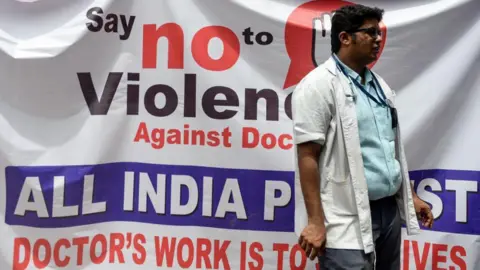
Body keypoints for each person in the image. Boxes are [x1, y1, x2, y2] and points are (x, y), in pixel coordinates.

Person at [291, 4, 434, 270]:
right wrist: (314, 221)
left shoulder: (380, 86)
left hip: (387, 212)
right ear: (345, 38)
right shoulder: (317, 86)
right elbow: (307, 156)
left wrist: (410, 196)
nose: (378, 39)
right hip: (344, 216)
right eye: (370, 32)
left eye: (378, 32)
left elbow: (390, 148)